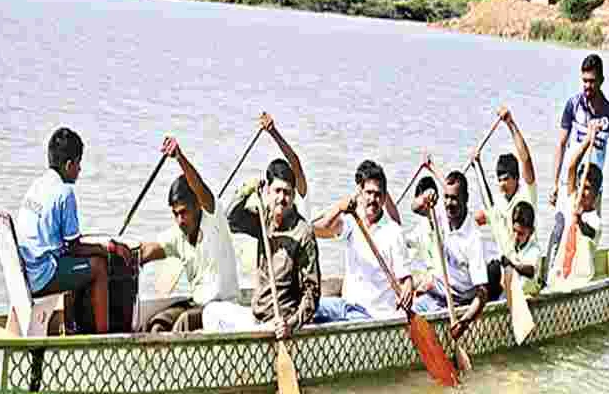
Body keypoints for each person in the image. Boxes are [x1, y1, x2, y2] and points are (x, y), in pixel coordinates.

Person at [17, 127, 131, 334]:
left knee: (74, 259)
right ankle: (104, 338)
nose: (80, 170)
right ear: (69, 165)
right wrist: (109, 249)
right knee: (98, 266)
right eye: (79, 163)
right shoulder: (65, 191)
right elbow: (75, 247)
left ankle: (70, 327)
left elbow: (68, 244)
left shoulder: (37, 184)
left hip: (24, 270)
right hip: (41, 275)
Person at [138, 136, 241, 321]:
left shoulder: (213, 218)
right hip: (198, 306)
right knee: (157, 322)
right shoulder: (178, 234)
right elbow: (148, 250)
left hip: (222, 310)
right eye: (175, 214)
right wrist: (118, 254)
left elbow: (199, 186)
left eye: (184, 212)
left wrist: (180, 157)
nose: (179, 220)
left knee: (184, 322)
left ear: (197, 205)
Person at [215, 159, 321, 337]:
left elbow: (312, 291)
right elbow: (231, 220)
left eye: (287, 193)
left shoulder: (303, 233)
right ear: (267, 192)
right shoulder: (263, 221)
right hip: (257, 316)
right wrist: (247, 190)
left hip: (280, 321)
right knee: (211, 311)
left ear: (294, 195)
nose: (282, 198)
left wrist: (291, 324)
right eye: (277, 191)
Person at [312, 160, 413, 321]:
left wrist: (408, 287)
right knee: (307, 309)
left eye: (378, 194)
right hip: (345, 306)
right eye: (369, 193)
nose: (372, 199)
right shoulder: (352, 221)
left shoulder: (394, 231)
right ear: (360, 193)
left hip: (372, 314)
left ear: (384, 197)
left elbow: (405, 278)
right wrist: (339, 208)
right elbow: (316, 230)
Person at [407, 162, 492, 338]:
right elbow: (414, 208)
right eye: (445, 197)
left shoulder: (473, 238)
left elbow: (482, 294)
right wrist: (425, 198)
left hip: (458, 301)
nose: (448, 203)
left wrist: (464, 322)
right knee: (404, 312)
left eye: (454, 198)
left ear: (465, 198)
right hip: (436, 292)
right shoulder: (440, 214)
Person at [549, 53, 609, 208]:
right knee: (562, 230)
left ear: (601, 81)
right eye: (585, 81)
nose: (587, 86)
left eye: (592, 81)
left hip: (593, 192)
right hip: (569, 184)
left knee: (590, 231)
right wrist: (554, 183)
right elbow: (561, 145)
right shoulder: (573, 105)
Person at [474, 105, 538, 252]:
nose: (502, 184)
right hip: (506, 264)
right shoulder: (498, 202)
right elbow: (478, 218)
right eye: (499, 180)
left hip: (526, 261)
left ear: (516, 178)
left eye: (506, 179)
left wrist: (510, 123)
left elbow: (526, 160)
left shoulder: (526, 195)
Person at [548, 121, 604, 286]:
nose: (582, 192)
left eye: (587, 189)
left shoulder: (595, 220)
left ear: (596, 194)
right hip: (561, 277)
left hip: (581, 281)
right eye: (581, 187)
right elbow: (572, 167)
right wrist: (588, 139)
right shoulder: (573, 200)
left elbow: (588, 232)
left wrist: (578, 219)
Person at [499, 201, 541, 298]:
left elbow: (530, 270)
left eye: (521, 233)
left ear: (531, 232)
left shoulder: (534, 250)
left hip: (526, 298)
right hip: (507, 295)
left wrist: (512, 265)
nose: (516, 236)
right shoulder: (510, 245)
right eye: (514, 231)